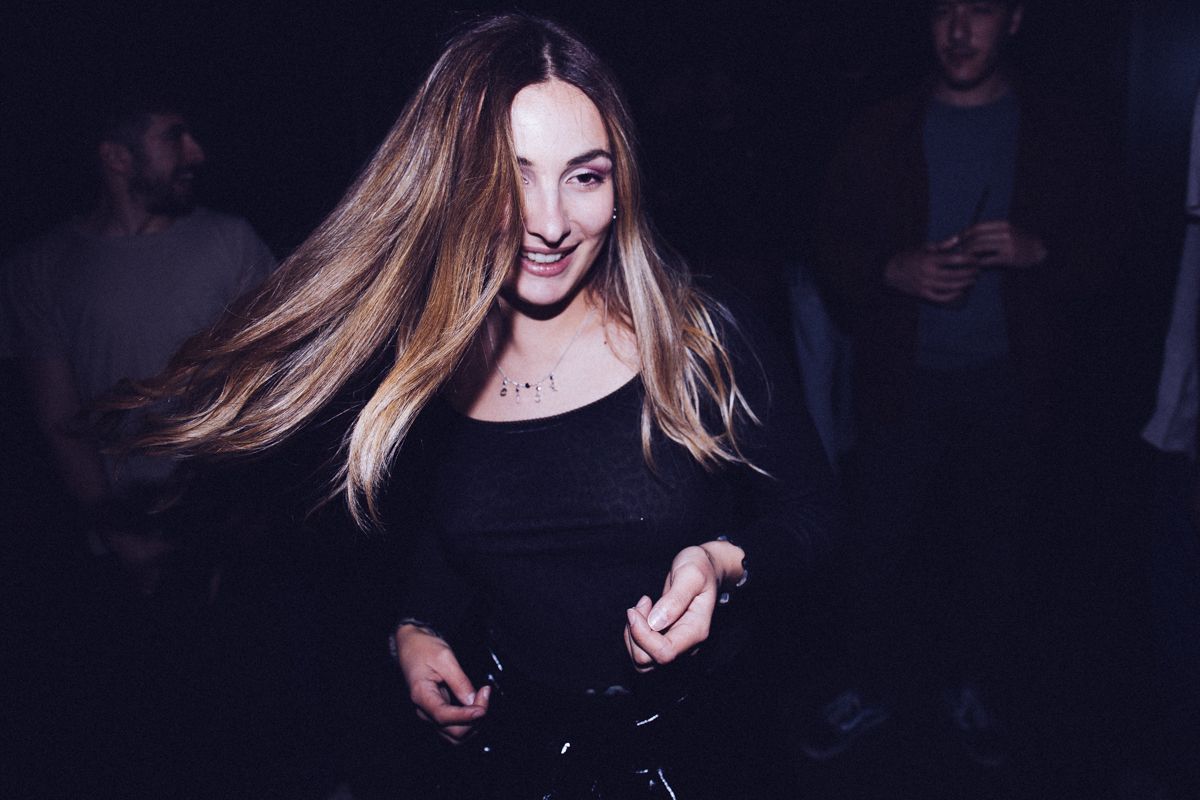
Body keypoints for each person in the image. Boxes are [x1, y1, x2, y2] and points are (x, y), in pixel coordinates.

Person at [110, 13, 834, 798]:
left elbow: (814, 517)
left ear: (619, 185)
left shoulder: (702, 333)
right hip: (524, 753)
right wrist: (416, 630)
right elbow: (453, 540)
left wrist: (722, 564)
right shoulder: (423, 369)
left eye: (584, 176)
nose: (550, 223)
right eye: (510, 176)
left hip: (704, 748)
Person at [811, 0, 1125, 765]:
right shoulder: (881, 128)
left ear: (1014, 20)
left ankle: (975, 687)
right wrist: (891, 269)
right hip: (902, 383)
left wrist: (1039, 251)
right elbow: (828, 246)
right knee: (876, 547)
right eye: (943, 10)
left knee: (996, 551)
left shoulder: (1059, 131)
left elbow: (1111, 253)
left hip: (1012, 383)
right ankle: (865, 687)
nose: (958, 30)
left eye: (978, 9)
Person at [4, 97, 275, 594]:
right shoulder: (41, 266)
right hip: (117, 546)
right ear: (117, 157)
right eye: (174, 136)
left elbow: (273, 380)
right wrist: (123, 539)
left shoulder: (231, 242)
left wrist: (244, 511)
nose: (196, 154)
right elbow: (58, 420)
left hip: (232, 534)